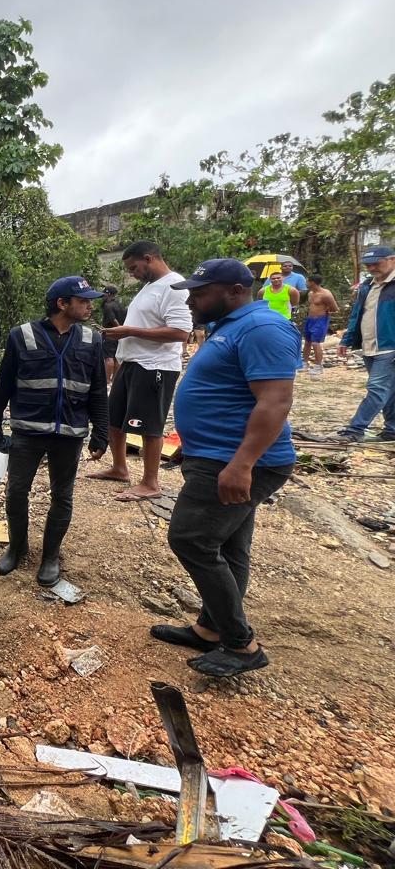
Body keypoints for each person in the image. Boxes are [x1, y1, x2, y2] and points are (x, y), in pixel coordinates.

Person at [151, 258, 298, 678]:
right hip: (214, 456)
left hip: (238, 462)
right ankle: (211, 628)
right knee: (230, 547)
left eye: (201, 293)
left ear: (235, 290)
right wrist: (192, 446)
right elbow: (227, 395)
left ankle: (240, 644)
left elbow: (275, 402)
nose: (192, 300)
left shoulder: (262, 328)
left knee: (191, 540)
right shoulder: (229, 327)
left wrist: (242, 464)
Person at [0, 276, 109, 587]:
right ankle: (17, 548)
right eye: (83, 301)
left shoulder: (91, 340)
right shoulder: (21, 336)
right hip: (27, 432)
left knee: (62, 496)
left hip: (70, 434)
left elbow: (97, 389)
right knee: (16, 493)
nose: (89, 306)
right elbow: (3, 385)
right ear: (62, 304)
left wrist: (101, 432)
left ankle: (51, 556)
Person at [89, 241, 192, 501]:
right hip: (132, 362)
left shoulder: (175, 286)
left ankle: (150, 483)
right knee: (114, 419)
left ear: (149, 259)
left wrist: (128, 330)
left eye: (134, 267)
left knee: (149, 426)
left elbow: (180, 332)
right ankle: (120, 468)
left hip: (155, 366)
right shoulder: (149, 287)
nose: (131, 274)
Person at [334, 245, 395, 442]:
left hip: (390, 346)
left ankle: (355, 429)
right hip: (370, 346)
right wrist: (347, 339)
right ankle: (392, 430)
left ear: (392, 259)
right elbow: (357, 315)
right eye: (368, 265)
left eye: (376, 263)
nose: (371, 268)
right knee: (389, 389)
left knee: (377, 388)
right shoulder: (367, 286)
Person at [303, 275, 338, 374]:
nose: (305, 283)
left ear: (312, 282)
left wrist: (326, 311)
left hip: (320, 320)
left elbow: (335, 308)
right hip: (310, 319)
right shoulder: (310, 293)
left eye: (307, 281)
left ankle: (318, 366)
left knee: (315, 342)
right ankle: (305, 363)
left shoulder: (326, 294)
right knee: (307, 341)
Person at [100, 285, 128, 382]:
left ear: (108, 294)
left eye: (104, 294)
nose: (103, 297)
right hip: (121, 334)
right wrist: (123, 331)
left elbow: (112, 319)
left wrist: (118, 329)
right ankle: (115, 380)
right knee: (117, 358)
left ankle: (107, 380)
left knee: (108, 357)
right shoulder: (120, 305)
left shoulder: (108, 306)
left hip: (111, 333)